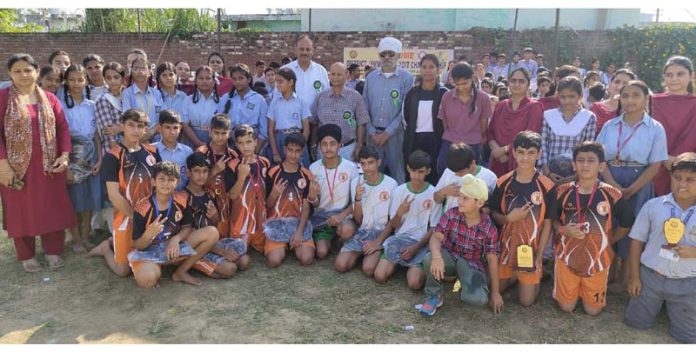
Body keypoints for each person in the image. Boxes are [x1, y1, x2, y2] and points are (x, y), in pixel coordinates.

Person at [0, 53, 76, 272]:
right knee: (19, 210)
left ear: (36, 72)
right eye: (17, 71)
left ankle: (53, 252)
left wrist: (64, 156)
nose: (23, 75)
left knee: (52, 208)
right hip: (14, 168)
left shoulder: (50, 98)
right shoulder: (4, 98)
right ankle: (27, 255)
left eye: (28, 70)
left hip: (49, 167)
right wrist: (3, 166)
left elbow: (62, 129)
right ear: (10, 74)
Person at [597, 80, 668, 292]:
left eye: (636, 95)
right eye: (625, 96)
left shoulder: (655, 128)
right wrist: (612, 184)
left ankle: (626, 277)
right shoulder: (610, 126)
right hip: (610, 179)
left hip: (639, 183)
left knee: (634, 228)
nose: (630, 100)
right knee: (609, 224)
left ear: (646, 99)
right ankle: (607, 272)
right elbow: (599, 157)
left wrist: (632, 188)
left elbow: (656, 164)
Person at [548, 141, 634, 316]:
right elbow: (553, 219)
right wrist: (563, 230)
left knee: (593, 311)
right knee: (566, 308)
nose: (585, 165)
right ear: (573, 164)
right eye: (580, 160)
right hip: (567, 257)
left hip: (598, 260)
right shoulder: (561, 191)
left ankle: (584, 289)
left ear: (601, 166)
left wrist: (608, 239)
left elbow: (627, 223)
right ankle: (571, 289)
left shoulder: (612, 193)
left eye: (591, 160)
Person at [624, 152, 696, 343]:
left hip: (688, 283)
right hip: (650, 278)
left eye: (690, 180)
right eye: (678, 178)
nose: (682, 184)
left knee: (688, 337)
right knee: (634, 323)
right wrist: (634, 277)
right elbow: (636, 240)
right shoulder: (653, 206)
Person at [88, 109, 162, 277]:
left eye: (140, 126)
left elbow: (159, 184)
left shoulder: (152, 151)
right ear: (122, 126)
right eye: (131, 125)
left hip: (149, 215)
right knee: (122, 271)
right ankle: (106, 248)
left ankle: (114, 243)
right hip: (126, 217)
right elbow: (114, 196)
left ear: (145, 128)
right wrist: (137, 219)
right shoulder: (113, 156)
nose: (136, 130)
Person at [415, 174, 502, 316]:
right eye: (460, 196)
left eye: (465, 198)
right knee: (429, 258)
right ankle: (434, 295)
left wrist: (495, 292)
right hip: (449, 256)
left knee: (478, 300)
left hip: (470, 264)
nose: (459, 201)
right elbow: (436, 237)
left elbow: (492, 260)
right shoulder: (452, 215)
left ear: (479, 203)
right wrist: (437, 257)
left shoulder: (488, 228)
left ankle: (463, 280)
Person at [128, 161, 219, 287]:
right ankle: (155, 268)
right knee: (147, 280)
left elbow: (187, 228)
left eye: (171, 179)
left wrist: (175, 239)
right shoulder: (141, 208)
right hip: (149, 251)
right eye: (161, 179)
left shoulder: (182, 199)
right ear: (153, 181)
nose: (166, 183)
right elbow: (137, 245)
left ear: (176, 182)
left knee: (212, 232)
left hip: (174, 248)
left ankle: (181, 272)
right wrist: (148, 234)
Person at [489, 131, 554, 307]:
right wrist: (509, 218)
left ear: (539, 154)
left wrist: (539, 257)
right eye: (521, 152)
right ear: (514, 152)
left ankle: (536, 274)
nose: (525, 158)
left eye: (531, 153)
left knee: (526, 301)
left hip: (531, 251)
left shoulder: (547, 186)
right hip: (506, 249)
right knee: (496, 290)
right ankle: (515, 275)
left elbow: (548, 224)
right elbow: (493, 215)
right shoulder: (502, 182)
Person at [373, 150, 443, 290]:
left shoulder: (433, 194)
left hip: (420, 243)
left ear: (428, 171)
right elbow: (393, 224)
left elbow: (434, 228)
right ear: (408, 168)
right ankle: (397, 262)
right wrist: (399, 213)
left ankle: (411, 265)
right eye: (414, 171)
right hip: (399, 239)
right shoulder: (399, 191)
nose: (417, 176)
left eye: (421, 172)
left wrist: (415, 248)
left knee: (414, 283)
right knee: (379, 276)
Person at [335, 146, 398, 275]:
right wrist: (358, 199)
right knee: (340, 266)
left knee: (368, 269)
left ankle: (377, 251)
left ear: (378, 162)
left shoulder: (391, 184)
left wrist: (377, 242)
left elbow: (392, 221)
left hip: (380, 233)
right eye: (363, 164)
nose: (367, 168)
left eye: (370, 163)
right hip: (362, 232)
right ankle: (359, 252)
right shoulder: (356, 183)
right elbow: (358, 220)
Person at [61, 64, 102, 254]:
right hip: (71, 154)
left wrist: (99, 158)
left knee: (90, 198)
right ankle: (76, 239)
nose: (76, 83)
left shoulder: (91, 105)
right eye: (72, 79)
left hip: (91, 154)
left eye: (80, 79)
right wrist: (66, 165)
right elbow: (59, 136)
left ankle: (86, 237)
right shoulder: (59, 104)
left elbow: (96, 134)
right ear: (66, 81)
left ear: (86, 81)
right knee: (74, 199)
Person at [186, 152, 249, 279]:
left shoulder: (209, 193)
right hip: (195, 248)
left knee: (244, 261)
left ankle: (210, 265)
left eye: (205, 171)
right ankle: (190, 263)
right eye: (197, 171)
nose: (202, 175)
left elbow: (214, 225)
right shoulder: (183, 198)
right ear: (188, 172)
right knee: (230, 269)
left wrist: (215, 216)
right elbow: (189, 235)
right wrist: (223, 252)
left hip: (212, 244)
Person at [363, 36, 413, 184]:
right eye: (383, 54)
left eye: (390, 54)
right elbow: (364, 106)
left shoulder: (406, 78)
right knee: (372, 176)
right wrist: (371, 131)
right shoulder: (371, 78)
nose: (386, 57)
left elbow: (404, 110)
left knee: (398, 176)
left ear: (398, 55)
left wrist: (387, 133)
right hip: (372, 137)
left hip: (395, 137)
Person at [263, 132, 317, 267]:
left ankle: (295, 243)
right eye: (290, 150)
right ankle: (281, 245)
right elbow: (266, 206)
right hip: (276, 223)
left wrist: (299, 233)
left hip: (298, 223)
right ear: (284, 149)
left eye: (297, 151)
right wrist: (274, 194)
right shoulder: (273, 172)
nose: (293, 154)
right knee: (274, 261)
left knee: (306, 259)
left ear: (302, 152)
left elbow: (306, 207)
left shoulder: (306, 174)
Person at [309, 124, 360, 259]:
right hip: (322, 218)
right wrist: (313, 198)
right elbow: (314, 203)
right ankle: (329, 239)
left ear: (339, 145)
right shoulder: (313, 168)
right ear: (320, 146)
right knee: (321, 253)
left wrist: (341, 216)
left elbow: (356, 200)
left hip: (343, 215)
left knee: (347, 231)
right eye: (324, 144)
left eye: (332, 144)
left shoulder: (351, 168)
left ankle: (340, 240)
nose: (328, 148)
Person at [436, 62, 493, 178]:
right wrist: (451, 135)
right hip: (450, 143)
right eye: (457, 84)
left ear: (472, 78)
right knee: (445, 174)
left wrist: (479, 140)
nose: (461, 87)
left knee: (471, 180)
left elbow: (484, 124)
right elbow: (444, 122)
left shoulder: (483, 98)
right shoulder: (447, 97)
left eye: (464, 83)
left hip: (473, 144)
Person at [651, 56, 696, 197]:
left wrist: (687, 160)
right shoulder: (651, 101)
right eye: (669, 75)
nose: (674, 78)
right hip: (655, 167)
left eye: (680, 74)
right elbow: (645, 134)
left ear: (691, 76)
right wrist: (663, 157)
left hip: (690, 170)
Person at [487, 68, 544, 177]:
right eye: (513, 80)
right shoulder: (501, 105)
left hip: (521, 161)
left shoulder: (534, 107)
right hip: (497, 161)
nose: (516, 84)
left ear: (528, 85)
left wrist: (505, 150)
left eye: (521, 81)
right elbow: (490, 132)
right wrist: (497, 151)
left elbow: (530, 138)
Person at [540, 76, 597, 183]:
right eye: (563, 97)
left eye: (572, 96)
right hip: (549, 174)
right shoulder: (549, 115)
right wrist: (547, 172)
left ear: (580, 96)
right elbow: (543, 145)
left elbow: (588, 148)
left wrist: (575, 176)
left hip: (577, 175)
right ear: (558, 96)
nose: (567, 101)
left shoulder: (588, 117)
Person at [226, 124, 272, 254]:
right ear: (236, 144)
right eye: (241, 143)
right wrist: (241, 177)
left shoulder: (265, 162)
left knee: (270, 253)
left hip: (261, 222)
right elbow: (232, 196)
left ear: (256, 142)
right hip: (241, 222)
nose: (245, 146)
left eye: (248, 142)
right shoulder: (232, 165)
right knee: (241, 259)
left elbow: (266, 192)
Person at [403, 54, 448, 185]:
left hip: (436, 140)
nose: (427, 70)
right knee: (415, 175)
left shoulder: (443, 93)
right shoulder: (412, 93)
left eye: (431, 67)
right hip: (414, 140)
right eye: (424, 67)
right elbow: (405, 118)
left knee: (434, 174)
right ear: (420, 69)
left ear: (438, 70)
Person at [312, 62, 369, 162]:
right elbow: (315, 122)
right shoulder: (321, 97)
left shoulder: (355, 97)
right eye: (333, 74)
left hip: (347, 149)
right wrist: (313, 143)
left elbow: (361, 123)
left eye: (339, 74)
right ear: (329, 76)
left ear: (346, 75)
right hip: (324, 149)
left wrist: (359, 145)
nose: (335, 77)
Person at [195, 114, 238, 238]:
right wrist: (214, 171)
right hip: (204, 202)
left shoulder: (234, 155)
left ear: (229, 133)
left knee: (223, 238)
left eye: (224, 133)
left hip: (225, 202)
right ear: (210, 132)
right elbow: (195, 184)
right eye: (216, 132)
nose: (220, 137)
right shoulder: (201, 152)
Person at [218, 64, 268, 155]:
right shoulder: (226, 98)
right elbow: (220, 123)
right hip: (230, 142)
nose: (237, 82)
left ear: (248, 79)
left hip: (251, 141)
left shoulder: (259, 99)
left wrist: (256, 149)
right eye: (234, 79)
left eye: (241, 78)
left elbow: (264, 129)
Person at [434, 143, 497, 213]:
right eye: (454, 172)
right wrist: (443, 192)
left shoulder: (489, 177)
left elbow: (494, 208)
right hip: (449, 220)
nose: (456, 175)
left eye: (460, 172)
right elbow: (436, 199)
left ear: (472, 163)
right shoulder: (448, 172)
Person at [268, 67, 310, 165]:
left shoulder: (301, 102)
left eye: (280, 82)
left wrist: (300, 146)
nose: (277, 85)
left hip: (297, 139)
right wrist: (275, 152)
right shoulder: (274, 103)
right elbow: (270, 130)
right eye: (276, 82)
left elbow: (307, 129)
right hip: (280, 139)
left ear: (291, 82)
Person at [281, 35, 330, 110]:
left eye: (308, 49)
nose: (304, 52)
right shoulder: (284, 71)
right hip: (290, 120)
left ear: (312, 51)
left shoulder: (321, 71)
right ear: (296, 50)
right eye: (301, 49)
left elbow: (326, 98)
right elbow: (277, 100)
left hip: (315, 120)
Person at [121, 56, 164, 142]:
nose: (140, 72)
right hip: (136, 138)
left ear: (149, 73)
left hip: (157, 137)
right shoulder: (127, 93)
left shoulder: (156, 93)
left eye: (143, 68)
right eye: (136, 68)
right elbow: (128, 117)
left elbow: (162, 116)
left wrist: (152, 132)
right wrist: (143, 135)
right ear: (131, 72)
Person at [153, 110, 193, 192]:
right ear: (160, 128)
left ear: (180, 128)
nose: (172, 132)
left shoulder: (187, 152)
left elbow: (191, 178)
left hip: (182, 198)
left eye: (175, 128)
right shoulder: (151, 150)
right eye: (167, 127)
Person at [181, 66, 220, 148]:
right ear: (196, 81)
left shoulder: (221, 101)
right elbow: (185, 124)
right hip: (191, 140)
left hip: (215, 142)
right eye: (201, 78)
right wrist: (198, 143)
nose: (204, 81)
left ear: (213, 82)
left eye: (208, 78)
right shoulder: (187, 100)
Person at [590, 68, 636, 133]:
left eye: (625, 84)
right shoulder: (595, 108)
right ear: (610, 83)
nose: (620, 87)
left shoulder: (634, 111)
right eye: (617, 82)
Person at [95, 62, 126, 155]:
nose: (112, 81)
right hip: (113, 152)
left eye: (116, 77)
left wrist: (121, 128)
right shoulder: (103, 100)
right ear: (104, 79)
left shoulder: (129, 95)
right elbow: (110, 134)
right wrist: (120, 156)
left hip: (133, 147)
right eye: (108, 78)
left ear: (122, 78)